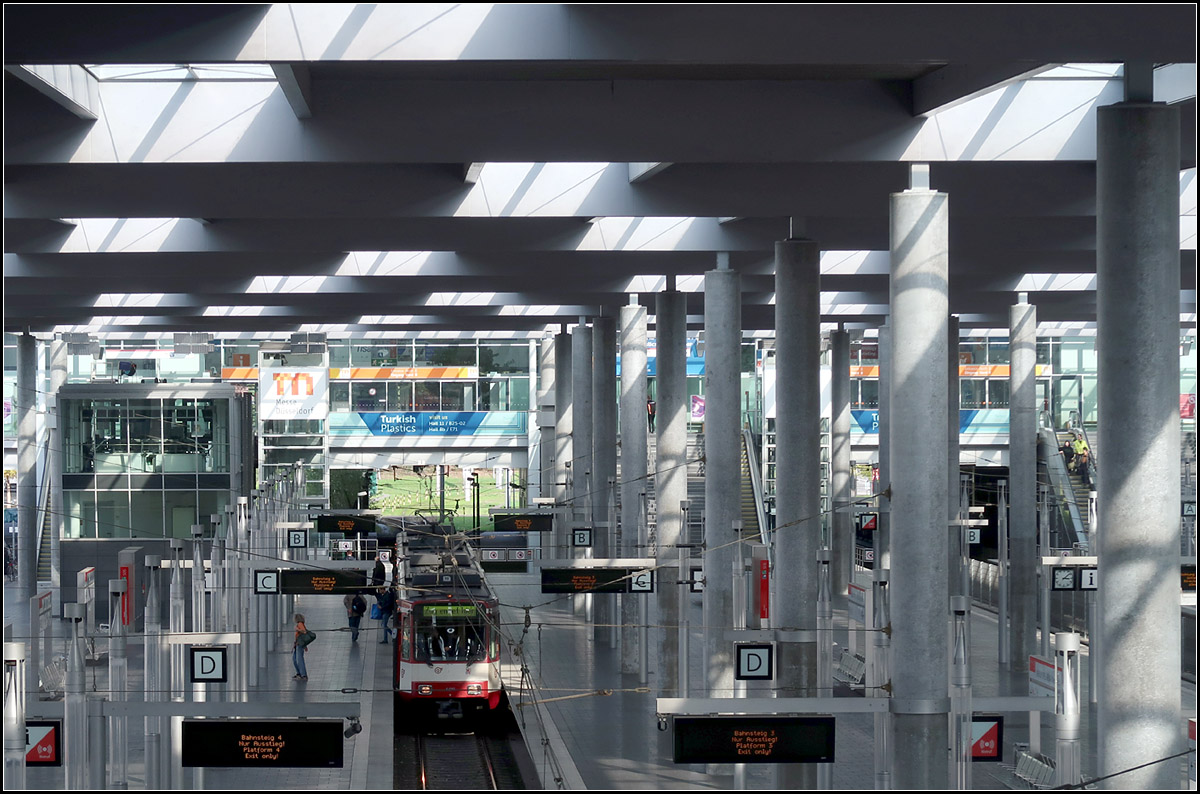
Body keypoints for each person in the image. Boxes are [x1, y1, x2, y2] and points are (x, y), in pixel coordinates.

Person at [292, 613, 309, 681]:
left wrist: (297, 629)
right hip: (298, 644)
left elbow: (304, 632)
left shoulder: (300, 624)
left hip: (299, 645)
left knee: (299, 660)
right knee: (295, 659)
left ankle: (303, 674)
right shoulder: (300, 624)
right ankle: (299, 673)